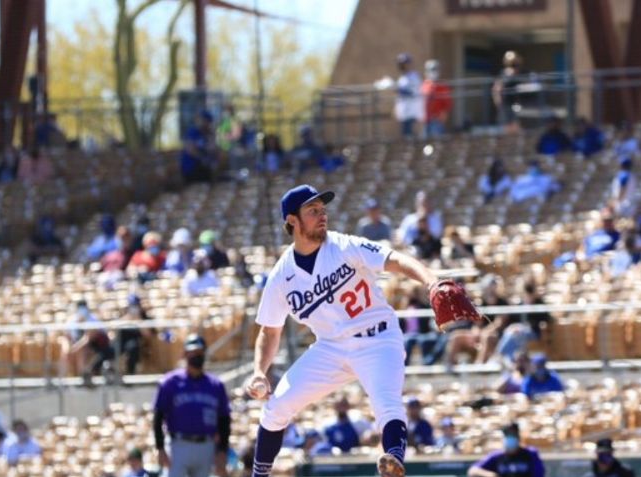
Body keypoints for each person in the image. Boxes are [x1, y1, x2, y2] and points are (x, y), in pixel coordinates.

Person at [244, 184, 442, 477]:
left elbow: (396, 259)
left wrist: (432, 282)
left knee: (387, 403)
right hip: (330, 348)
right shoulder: (282, 276)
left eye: (323, 209)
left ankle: (393, 463)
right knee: (276, 407)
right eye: (312, 210)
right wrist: (260, 371)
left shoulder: (344, 245)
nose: (322, 215)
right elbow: (270, 331)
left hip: (378, 338)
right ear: (292, 220)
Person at [154, 334, 231, 477]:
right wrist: (160, 447)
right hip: (178, 444)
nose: (196, 356)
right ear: (185, 354)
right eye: (193, 352)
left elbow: (224, 419)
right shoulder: (170, 382)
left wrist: (222, 450)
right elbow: (158, 416)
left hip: (206, 445)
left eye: (200, 352)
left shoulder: (216, 385)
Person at [468, 422, 545, 477]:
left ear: (518, 437)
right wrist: (490, 475)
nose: (510, 438)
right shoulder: (497, 456)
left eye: (513, 435)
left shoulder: (530, 453)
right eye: (507, 435)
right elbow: (473, 471)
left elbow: (539, 474)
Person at [68, 300, 115, 387]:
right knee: (82, 352)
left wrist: (74, 348)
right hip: (92, 346)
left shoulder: (92, 320)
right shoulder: (75, 321)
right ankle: (83, 377)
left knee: (97, 358)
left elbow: (87, 339)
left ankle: (88, 375)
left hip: (103, 348)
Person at [492, 51, 534, 134]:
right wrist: (498, 101)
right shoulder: (503, 74)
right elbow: (497, 89)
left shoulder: (522, 73)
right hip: (506, 104)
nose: (512, 63)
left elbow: (527, 86)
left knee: (517, 123)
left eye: (514, 61)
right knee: (507, 126)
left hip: (517, 103)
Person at [117, 294, 155, 375]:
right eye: (132, 306)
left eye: (135, 306)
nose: (133, 308)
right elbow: (115, 328)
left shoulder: (144, 318)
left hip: (137, 343)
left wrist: (139, 321)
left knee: (133, 347)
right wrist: (127, 320)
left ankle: (130, 372)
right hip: (121, 343)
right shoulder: (124, 316)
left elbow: (148, 336)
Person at [180, 110, 217, 183]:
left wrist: (212, 137)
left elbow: (212, 149)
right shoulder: (192, 131)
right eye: (205, 121)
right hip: (191, 168)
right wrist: (203, 159)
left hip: (204, 168)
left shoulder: (206, 134)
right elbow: (190, 150)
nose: (207, 124)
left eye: (209, 122)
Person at [394, 53, 423, 138]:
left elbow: (412, 92)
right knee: (405, 135)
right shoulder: (402, 77)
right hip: (404, 111)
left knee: (410, 136)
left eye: (404, 64)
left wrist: (395, 87)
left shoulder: (414, 76)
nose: (402, 66)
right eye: (401, 64)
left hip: (412, 111)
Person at [421, 59, 452, 138]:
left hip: (437, 119)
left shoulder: (442, 86)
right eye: (430, 70)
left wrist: (443, 115)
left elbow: (447, 104)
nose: (433, 72)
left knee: (436, 141)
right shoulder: (424, 84)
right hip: (426, 120)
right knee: (425, 142)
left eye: (434, 69)